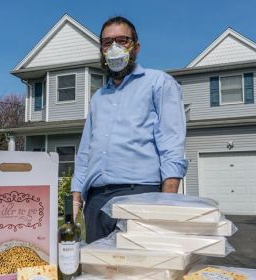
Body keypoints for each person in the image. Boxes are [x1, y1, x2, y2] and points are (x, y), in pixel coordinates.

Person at [71, 16, 188, 243]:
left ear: (136, 46)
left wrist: (167, 201)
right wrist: (76, 198)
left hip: (140, 195)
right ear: (101, 49)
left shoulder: (158, 83)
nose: (114, 48)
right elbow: (86, 151)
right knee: (99, 272)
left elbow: (172, 143)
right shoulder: (97, 98)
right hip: (95, 200)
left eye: (122, 41)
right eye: (107, 42)